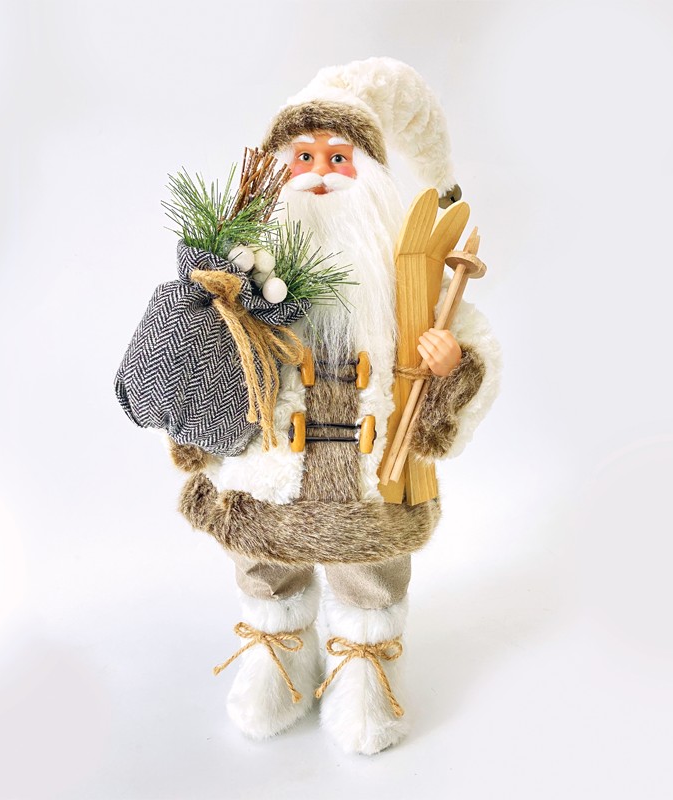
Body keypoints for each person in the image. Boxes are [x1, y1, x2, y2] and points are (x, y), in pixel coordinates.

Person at [175, 57, 502, 755]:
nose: (320, 173)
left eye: (338, 157)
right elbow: (204, 349)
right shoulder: (245, 264)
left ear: (371, 173)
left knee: (369, 577)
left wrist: (451, 365)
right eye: (304, 157)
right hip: (268, 467)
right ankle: (277, 653)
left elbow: (469, 343)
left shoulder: (403, 272)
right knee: (263, 562)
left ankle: (365, 666)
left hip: (368, 469)